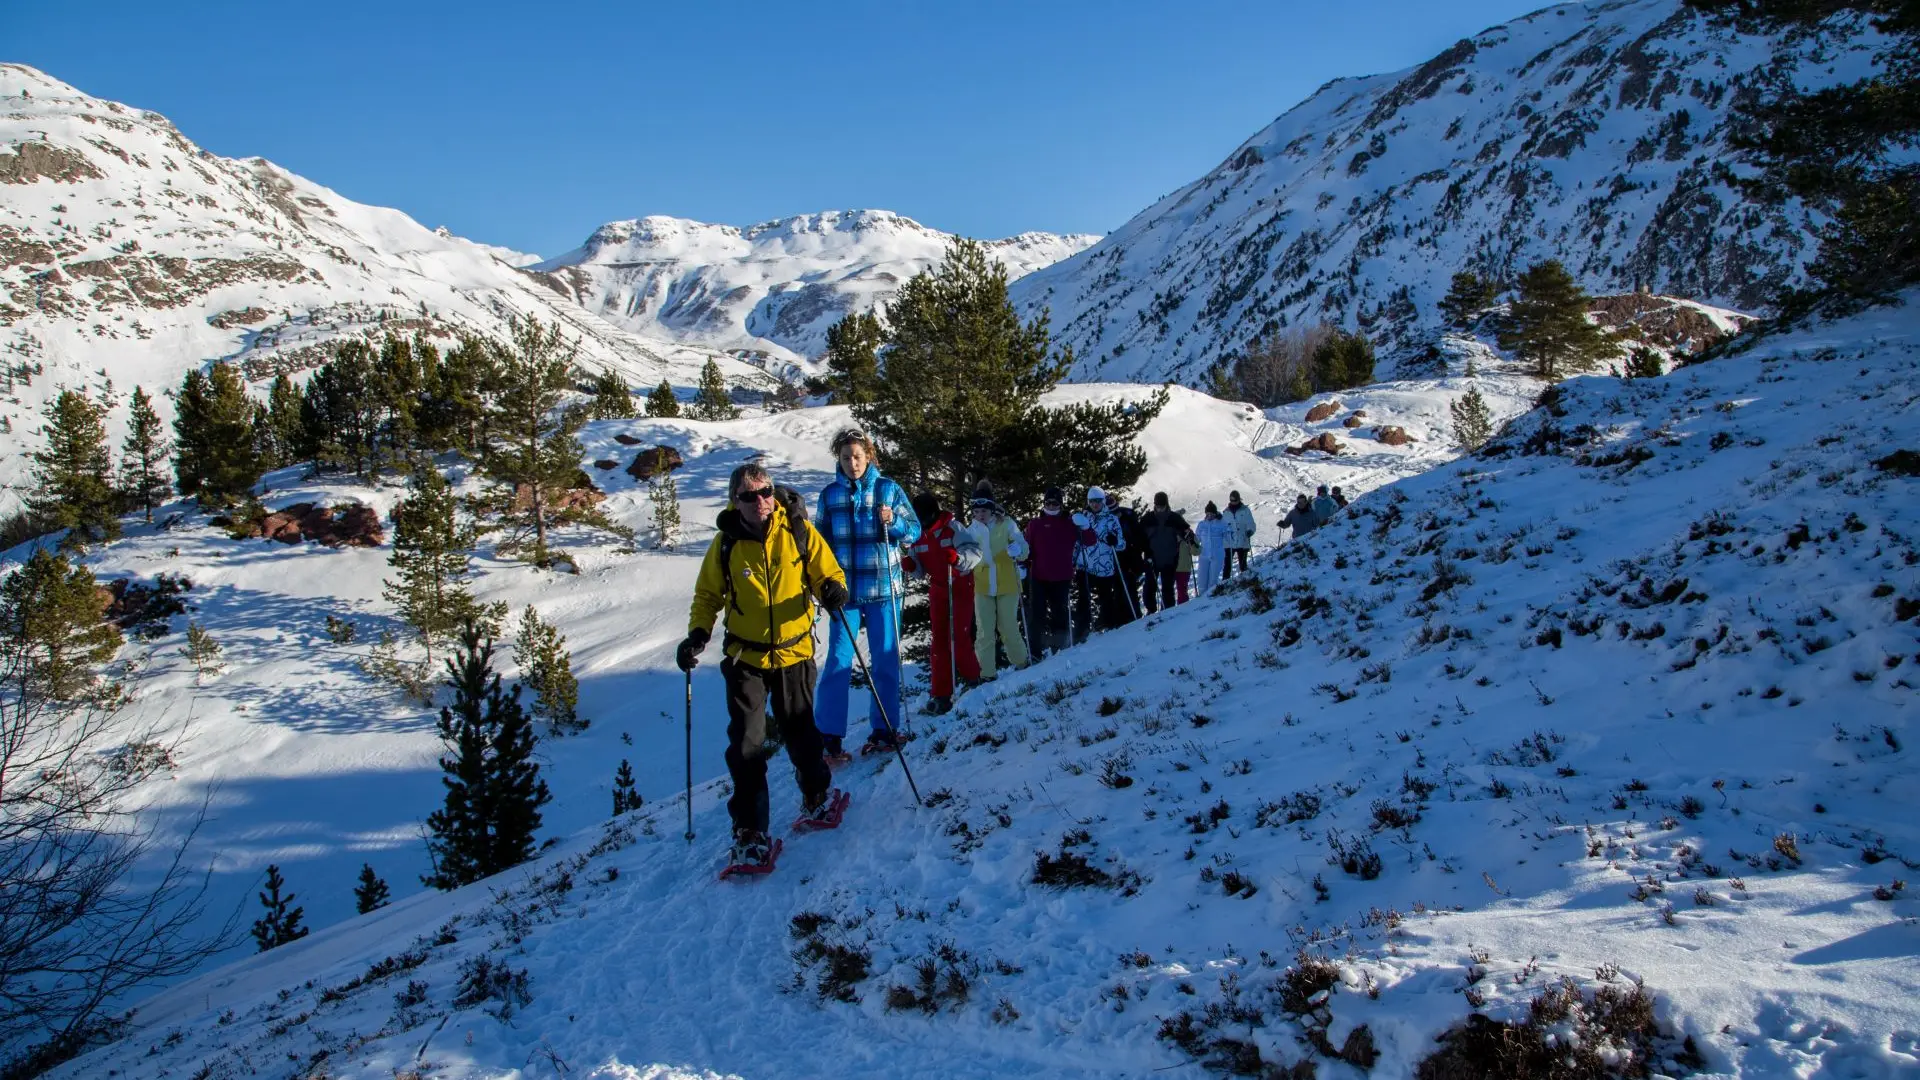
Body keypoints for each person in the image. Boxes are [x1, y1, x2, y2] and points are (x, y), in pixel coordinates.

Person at [679, 463, 850, 869]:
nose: (760, 501)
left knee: (801, 732)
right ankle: (751, 832)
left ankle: (816, 794)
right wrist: (698, 634)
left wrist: (832, 588)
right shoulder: (726, 544)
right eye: (748, 495)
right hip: (745, 658)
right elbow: (707, 595)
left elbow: (827, 570)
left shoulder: (798, 532)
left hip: (793, 653)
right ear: (733, 501)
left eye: (765, 491)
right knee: (745, 746)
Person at [814, 428, 921, 757]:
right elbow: (820, 542)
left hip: (883, 590)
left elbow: (913, 532)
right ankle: (829, 736)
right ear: (840, 460)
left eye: (858, 457)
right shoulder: (830, 494)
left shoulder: (888, 489)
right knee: (837, 661)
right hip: (844, 594)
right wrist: (821, 584)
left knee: (885, 658)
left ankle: (885, 729)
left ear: (869, 457)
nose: (852, 463)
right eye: (846, 458)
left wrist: (895, 523)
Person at [902, 492, 980, 717]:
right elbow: (918, 571)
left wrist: (957, 558)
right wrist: (910, 565)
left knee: (958, 636)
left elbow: (975, 551)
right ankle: (941, 694)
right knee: (939, 641)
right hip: (938, 588)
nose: (923, 521)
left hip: (960, 584)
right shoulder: (917, 535)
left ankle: (974, 681)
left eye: (925, 517)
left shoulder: (952, 528)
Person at [964, 484, 1030, 679]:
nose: (980, 515)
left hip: (1007, 582)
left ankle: (1021, 662)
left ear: (991, 509)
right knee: (984, 630)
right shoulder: (971, 530)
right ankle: (986, 673)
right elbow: (966, 554)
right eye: (976, 511)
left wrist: (1018, 549)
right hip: (982, 585)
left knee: (1008, 626)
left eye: (983, 511)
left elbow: (1023, 546)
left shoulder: (1006, 524)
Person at [1023, 485, 1078, 659]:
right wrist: (1022, 562)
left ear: (1061, 504)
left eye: (1055, 503)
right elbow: (1027, 548)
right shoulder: (1035, 524)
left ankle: (1059, 647)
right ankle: (1035, 652)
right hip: (1039, 576)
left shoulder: (1069, 524)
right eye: (1048, 503)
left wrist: (1084, 528)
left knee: (1059, 613)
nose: (1051, 506)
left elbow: (1089, 541)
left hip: (1062, 576)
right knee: (1036, 615)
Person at [1073, 486, 1135, 630]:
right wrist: (1072, 561)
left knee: (1105, 598)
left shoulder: (1112, 519)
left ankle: (1109, 626)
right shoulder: (1082, 518)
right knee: (1083, 599)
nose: (1095, 504)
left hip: (1104, 566)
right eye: (1092, 501)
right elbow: (1075, 542)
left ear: (1103, 501)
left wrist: (1115, 540)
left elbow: (1122, 545)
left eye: (1098, 501)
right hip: (1085, 565)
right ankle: (1081, 630)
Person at [1140, 491, 1190, 613]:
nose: (1160, 508)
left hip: (1170, 559)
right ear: (1154, 505)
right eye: (1158, 506)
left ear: (1166, 505)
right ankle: (1151, 611)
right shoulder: (1148, 518)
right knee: (1149, 589)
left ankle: (1168, 613)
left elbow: (1186, 531)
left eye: (1162, 506)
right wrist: (1145, 550)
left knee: (1168, 589)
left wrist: (1187, 535)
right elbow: (1140, 537)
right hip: (1152, 559)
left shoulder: (1174, 518)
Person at [1194, 502, 1228, 593]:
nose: (1209, 516)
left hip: (1216, 554)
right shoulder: (1202, 524)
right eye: (1207, 514)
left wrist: (1228, 533)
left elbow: (1228, 536)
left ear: (1215, 513)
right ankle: (1201, 598)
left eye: (1211, 514)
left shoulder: (1221, 523)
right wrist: (1191, 541)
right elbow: (1197, 539)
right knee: (1202, 579)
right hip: (1204, 555)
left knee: (1212, 580)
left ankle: (1211, 597)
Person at [1222, 491, 1256, 579]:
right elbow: (1223, 527)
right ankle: (1224, 585)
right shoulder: (1226, 512)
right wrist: (1225, 534)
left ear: (1239, 499)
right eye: (1231, 500)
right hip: (1229, 543)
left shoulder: (1245, 510)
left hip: (1243, 540)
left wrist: (1250, 531)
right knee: (1227, 566)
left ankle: (1245, 581)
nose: (1233, 502)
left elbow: (1251, 523)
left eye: (1235, 500)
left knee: (1243, 564)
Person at [1174, 523, 1199, 604]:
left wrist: (1191, 541)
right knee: (1167, 592)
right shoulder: (1168, 532)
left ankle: (1183, 610)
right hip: (1169, 566)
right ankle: (1166, 612)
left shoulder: (1189, 534)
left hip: (1183, 567)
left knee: (1182, 591)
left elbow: (1196, 551)